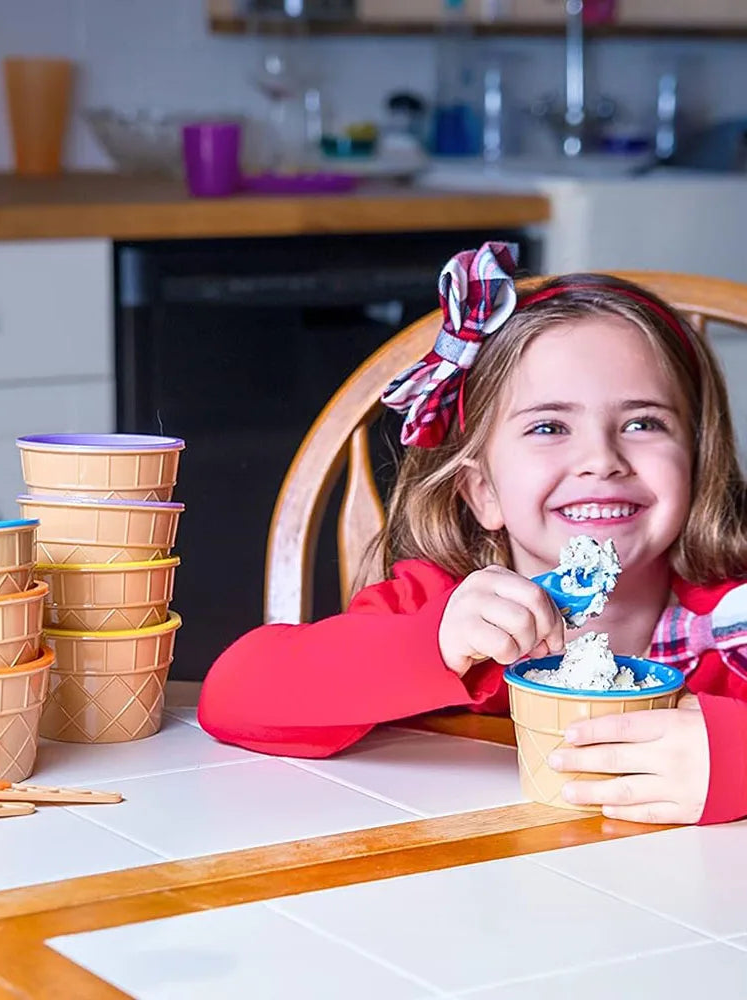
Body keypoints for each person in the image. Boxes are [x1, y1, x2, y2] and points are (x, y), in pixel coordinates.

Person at [198, 241, 747, 827]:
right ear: (482, 490)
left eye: (643, 422)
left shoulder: (733, 624)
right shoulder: (435, 606)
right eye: (548, 426)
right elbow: (233, 695)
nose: (601, 459)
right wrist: (428, 646)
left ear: (698, 459)